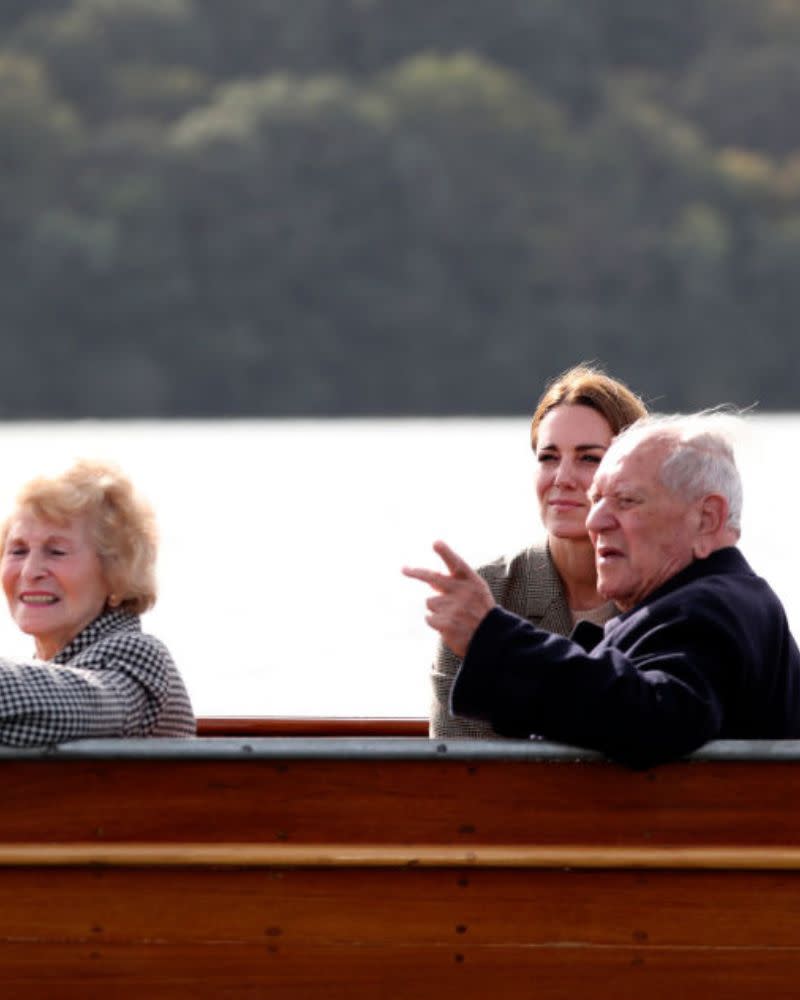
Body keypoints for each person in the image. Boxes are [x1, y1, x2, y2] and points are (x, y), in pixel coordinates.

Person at [405, 413, 800, 768]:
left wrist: (495, 639)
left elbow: (655, 716)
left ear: (707, 518)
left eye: (626, 501)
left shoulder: (707, 608)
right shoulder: (716, 598)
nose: (595, 521)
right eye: (596, 500)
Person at [430, 364, 647, 738]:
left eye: (589, 458)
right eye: (548, 457)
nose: (562, 478)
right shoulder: (487, 594)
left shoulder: (667, 594)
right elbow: (458, 761)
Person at [0, 459, 195, 745]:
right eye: (17, 551)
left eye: (56, 552)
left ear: (116, 573)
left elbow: (76, 708)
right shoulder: (49, 667)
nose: (30, 572)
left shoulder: (137, 657)